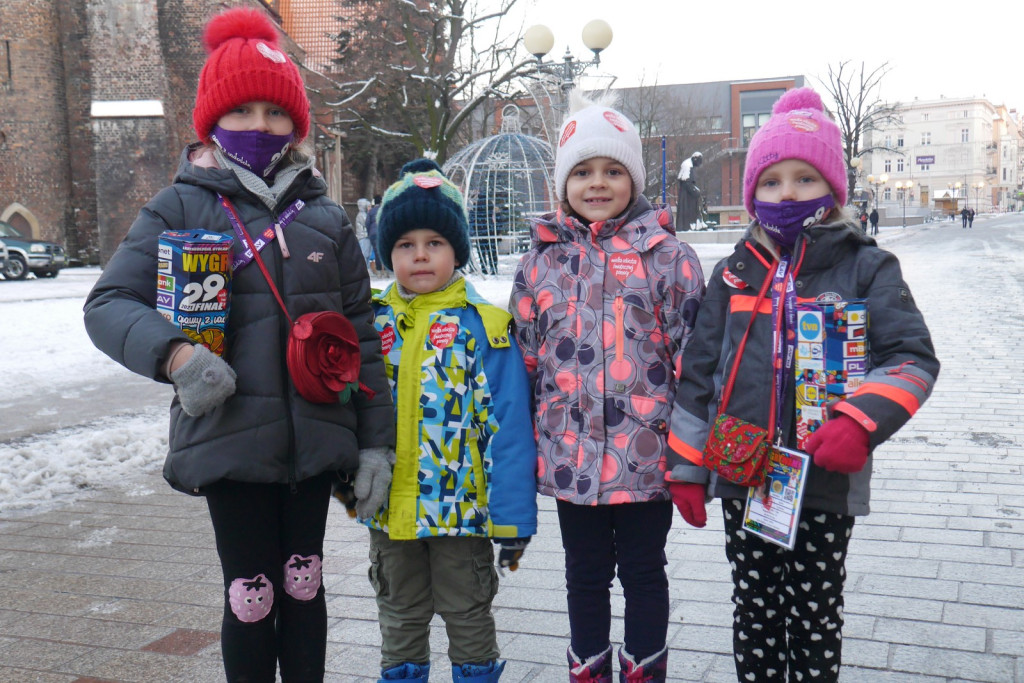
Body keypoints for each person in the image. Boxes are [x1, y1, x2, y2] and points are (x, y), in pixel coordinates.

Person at [82, 8, 395, 681]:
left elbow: (361, 334)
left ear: (296, 124)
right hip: (228, 440)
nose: (260, 125)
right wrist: (176, 355)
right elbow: (108, 305)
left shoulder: (325, 217)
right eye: (243, 110)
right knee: (252, 597)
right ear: (212, 120)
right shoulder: (178, 207)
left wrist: (376, 442)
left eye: (276, 112)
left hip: (316, 439)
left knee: (304, 585)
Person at [666, 87, 940, 682]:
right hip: (744, 474)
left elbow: (911, 357)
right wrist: (687, 466)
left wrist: (859, 422)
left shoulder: (867, 266)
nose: (786, 193)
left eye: (804, 177)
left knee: (815, 614)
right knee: (755, 610)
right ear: (753, 193)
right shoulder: (735, 273)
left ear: (833, 188)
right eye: (771, 181)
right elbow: (698, 372)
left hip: (823, 480)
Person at [509, 90, 706, 682]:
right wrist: (520, 449)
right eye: (583, 171)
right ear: (563, 182)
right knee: (584, 575)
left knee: (644, 573)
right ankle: (588, 668)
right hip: (570, 456)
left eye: (613, 170)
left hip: (646, 456)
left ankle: (644, 668)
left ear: (634, 180)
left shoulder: (668, 258)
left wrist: (691, 453)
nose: (597, 182)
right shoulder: (541, 263)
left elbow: (693, 357)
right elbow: (525, 359)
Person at [361, 158, 538, 683]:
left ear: (456, 251)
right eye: (405, 244)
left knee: (468, 613)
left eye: (434, 242)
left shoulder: (485, 327)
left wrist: (513, 518)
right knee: (398, 613)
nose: (419, 255)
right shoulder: (371, 324)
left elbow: (508, 427)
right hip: (391, 512)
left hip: (461, 512)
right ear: (387, 254)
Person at [366, 194, 384, 276]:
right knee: (383, 250)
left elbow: (367, 223)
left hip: (373, 234)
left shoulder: (371, 211)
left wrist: (369, 232)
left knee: (376, 252)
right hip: (381, 233)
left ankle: (379, 270)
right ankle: (385, 270)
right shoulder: (383, 210)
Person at [356, 197, 374, 269]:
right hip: (363, 236)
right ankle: (363, 268)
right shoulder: (361, 215)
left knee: (368, 254)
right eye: (368, 206)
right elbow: (367, 223)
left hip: (366, 236)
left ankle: (367, 268)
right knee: (364, 254)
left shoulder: (365, 214)